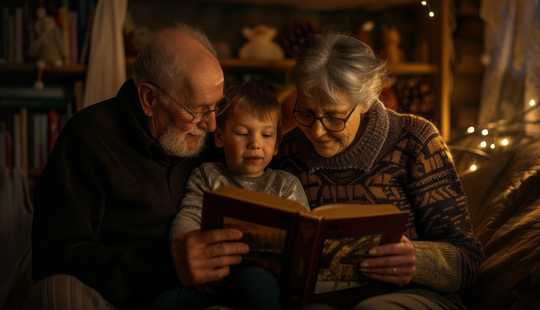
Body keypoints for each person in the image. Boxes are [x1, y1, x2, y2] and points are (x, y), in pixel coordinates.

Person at [29, 25, 249, 310]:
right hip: (116, 298)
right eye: (197, 110)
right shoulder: (88, 137)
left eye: (216, 107)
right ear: (149, 99)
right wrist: (167, 264)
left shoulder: (208, 137)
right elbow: (55, 256)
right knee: (55, 293)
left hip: (199, 296)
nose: (211, 126)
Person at [276, 33, 484, 309]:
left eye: (334, 117)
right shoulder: (287, 150)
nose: (317, 131)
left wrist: (418, 260)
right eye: (306, 113)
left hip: (413, 294)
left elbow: (468, 261)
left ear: (366, 100)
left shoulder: (415, 139)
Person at [154, 82, 309, 309]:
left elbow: (303, 236)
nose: (255, 144)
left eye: (267, 135)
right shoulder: (207, 175)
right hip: (214, 277)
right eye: (242, 133)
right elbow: (188, 217)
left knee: (255, 283)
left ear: (276, 144)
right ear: (219, 137)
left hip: (264, 279)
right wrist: (186, 247)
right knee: (164, 303)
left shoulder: (285, 184)